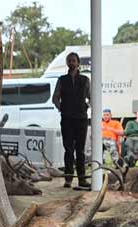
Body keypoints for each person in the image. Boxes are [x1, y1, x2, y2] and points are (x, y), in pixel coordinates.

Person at [53, 52, 90, 188]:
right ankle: (68, 178)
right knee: (68, 149)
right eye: (69, 61)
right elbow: (55, 98)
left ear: (78, 63)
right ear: (67, 63)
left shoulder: (85, 80)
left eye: (74, 60)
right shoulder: (62, 80)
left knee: (80, 150)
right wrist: (61, 107)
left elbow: (91, 96)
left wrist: (87, 106)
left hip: (81, 118)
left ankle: (82, 179)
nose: (71, 63)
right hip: (67, 118)